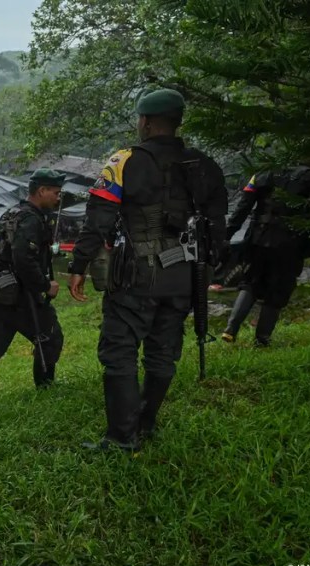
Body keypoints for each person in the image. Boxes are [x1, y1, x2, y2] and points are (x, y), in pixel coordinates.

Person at [67, 89, 228, 452]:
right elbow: (218, 229)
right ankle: (146, 423)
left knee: (120, 351)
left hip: (136, 275)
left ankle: (122, 437)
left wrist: (79, 265)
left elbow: (98, 221)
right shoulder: (207, 165)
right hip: (186, 276)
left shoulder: (124, 160)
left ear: (146, 122)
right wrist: (206, 273)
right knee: (163, 350)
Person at [0, 169, 66, 404]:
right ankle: (46, 390)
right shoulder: (30, 219)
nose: (58, 198)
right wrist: (45, 285)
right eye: (56, 193)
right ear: (42, 191)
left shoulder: (13, 213)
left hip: (2, 292)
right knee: (50, 337)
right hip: (20, 295)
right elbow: (23, 258)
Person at [222, 166, 310, 346]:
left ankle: (231, 329)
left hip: (258, 239)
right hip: (290, 244)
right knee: (278, 289)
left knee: (251, 283)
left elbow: (243, 206)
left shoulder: (263, 173)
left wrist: (228, 234)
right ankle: (262, 338)